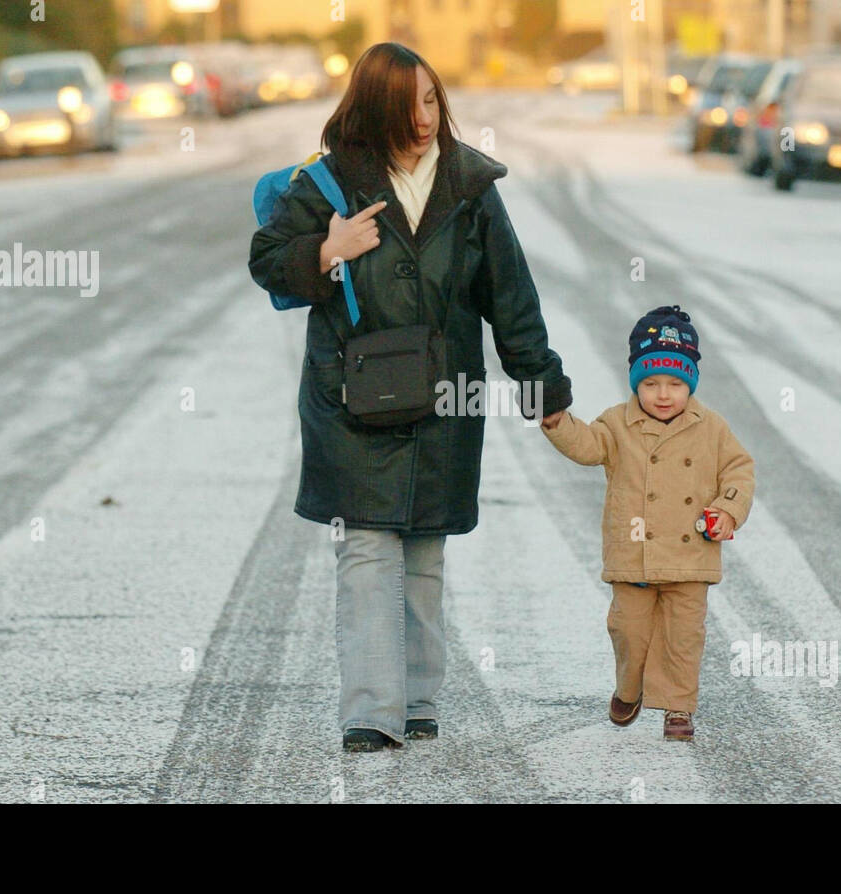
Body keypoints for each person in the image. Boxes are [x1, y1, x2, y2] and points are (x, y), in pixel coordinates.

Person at [248, 43, 571, 752]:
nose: (424, 118)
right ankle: (370, 713)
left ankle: (418, 702)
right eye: (408, 103)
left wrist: (540, 380)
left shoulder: (471, 185)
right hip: (350, 399)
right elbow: (266, 258)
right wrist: (327, 251)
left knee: (424, 551)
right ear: (376, 106)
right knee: (366, 549)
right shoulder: (329, 183)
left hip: (444, 397)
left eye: (432, 100)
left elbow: (509, 295)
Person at [539, 305, 755, 741]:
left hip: (691, 554)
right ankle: (629, 685)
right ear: (636, 381)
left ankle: (678, 709)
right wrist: (558, 422)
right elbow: (587, 445)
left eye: (675, 383)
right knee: (628, 630)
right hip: (633, 554)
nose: (662, 394)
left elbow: (739, 471)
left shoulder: (711, 428)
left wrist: (726, 511)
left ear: (690, 382)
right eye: (651, 383)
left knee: (683, 638)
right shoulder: (617, 423)